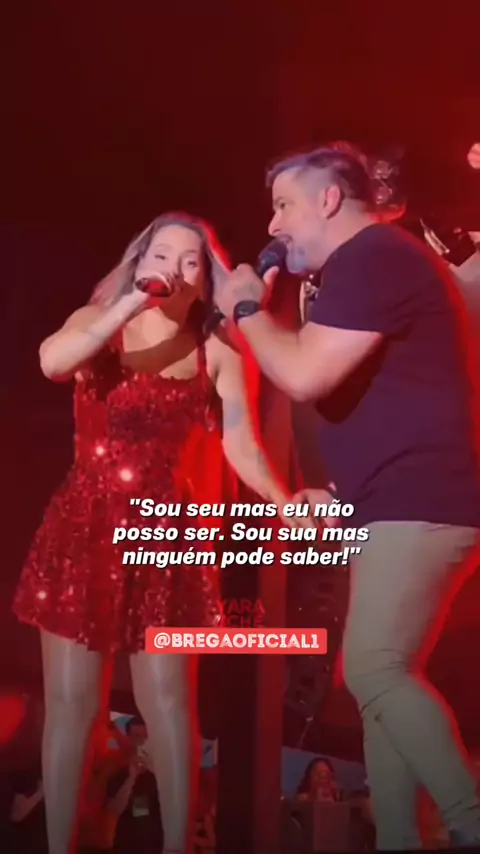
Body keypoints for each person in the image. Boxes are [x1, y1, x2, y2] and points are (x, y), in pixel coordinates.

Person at [214, 145, 480, 849]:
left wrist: (246, 305)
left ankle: (470, 821)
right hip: (398, 502)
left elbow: (304, 373)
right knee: (378, 681)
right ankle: (398, 837)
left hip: (420, 503)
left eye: (283, 205)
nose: (273, 226)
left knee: (375, 667)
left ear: (329, 199)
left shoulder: (375, 256)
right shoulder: (369, 265)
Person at [13, 212, 292, 854]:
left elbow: (243, 445)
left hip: (166, 536)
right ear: (139, 262)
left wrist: (285, 503)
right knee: (72, 704)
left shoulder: (218, 351)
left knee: (168, 701)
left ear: (204, 282)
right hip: (83, 527)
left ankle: (178, 843)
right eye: (161, 254)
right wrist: (128, 304)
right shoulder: (96, 324)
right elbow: (52, 362)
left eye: (191, 261)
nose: (175, 268)